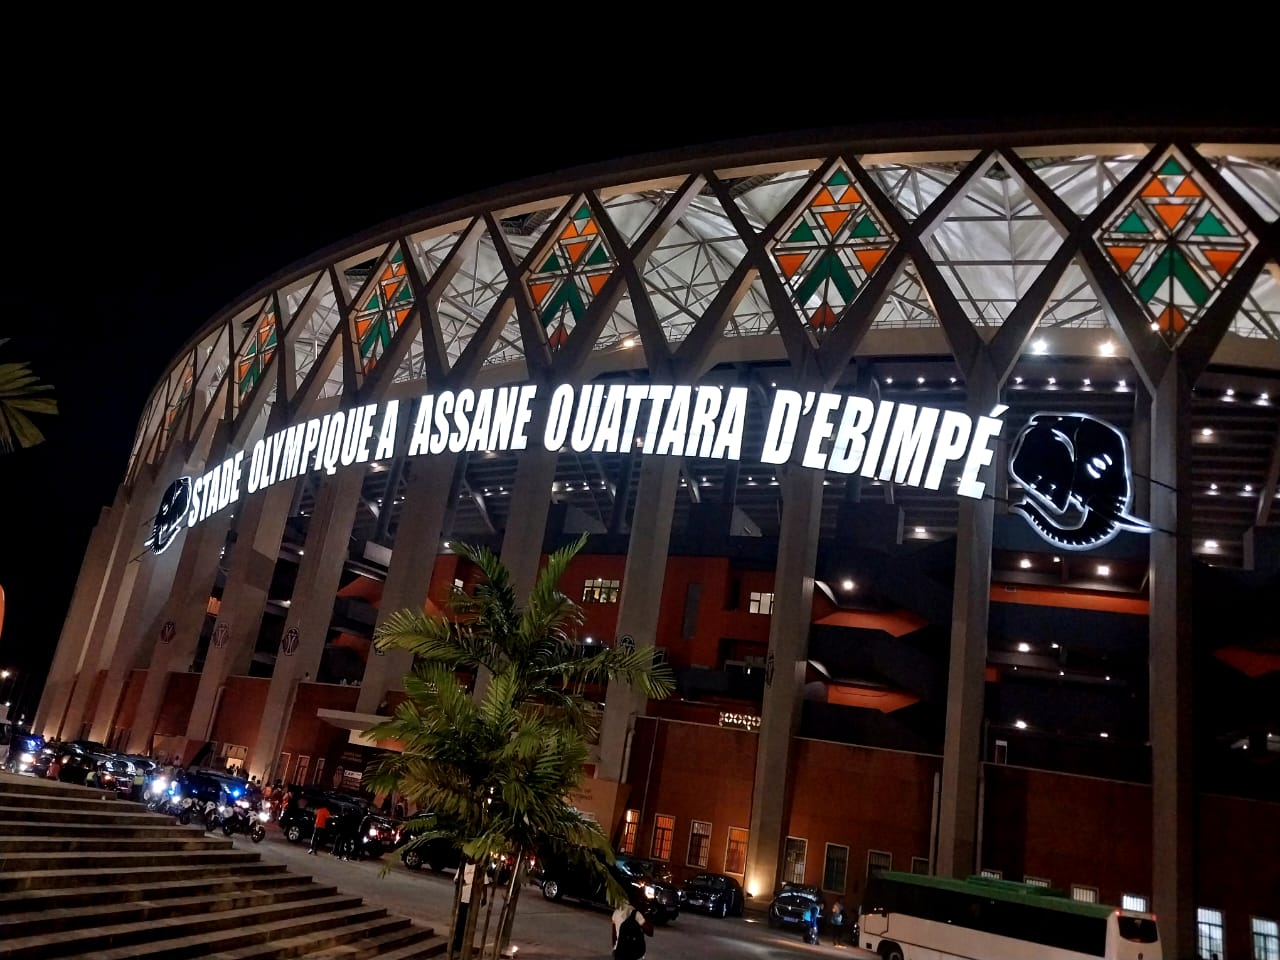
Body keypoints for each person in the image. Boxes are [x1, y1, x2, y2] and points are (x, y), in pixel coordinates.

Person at [452, 860, 488, 954]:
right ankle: (457, 943)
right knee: (460, 922)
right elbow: (455, 880)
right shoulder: (463, 866)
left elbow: (485, 883)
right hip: (462, 898)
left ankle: (465, 944)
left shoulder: (479, 867)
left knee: (469, 923)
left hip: (473, 900)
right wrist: (460, 881)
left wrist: (484, 897)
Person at [611, 894, 654, 960]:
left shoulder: (616, 912)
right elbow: (650, 932)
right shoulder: (636, 914)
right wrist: (647, 914)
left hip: (619, 951)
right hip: (632, 954)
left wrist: (614, 948)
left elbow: (614, 935)